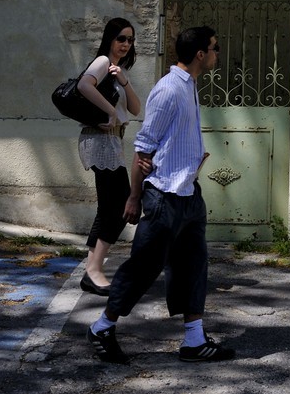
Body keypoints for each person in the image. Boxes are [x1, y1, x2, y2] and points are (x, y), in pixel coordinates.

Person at [87, 24, 235, 365]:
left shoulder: (190, 86)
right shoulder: (169, 89)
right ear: (200, 54)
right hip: (164, 196)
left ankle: (194, 340)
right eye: (214, 48)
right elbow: (144, 148)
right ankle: (102, 327)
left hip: (188, 195)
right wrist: (135, 197)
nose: (217, 53)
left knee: (193, 266)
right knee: (144, 266)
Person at [75, 18, 142, 294]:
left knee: (109, 206)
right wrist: (111, 111)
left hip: (111, 142)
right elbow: (83, 86)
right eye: (121, 38)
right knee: (119, 207)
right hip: (100, 140)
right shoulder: (102, 61)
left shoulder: (117, 70)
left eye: (130, 40)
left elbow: (137, 109)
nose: (126, 44)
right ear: (110, 39)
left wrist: (124, 81)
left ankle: (92, 269)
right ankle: (94, 270)